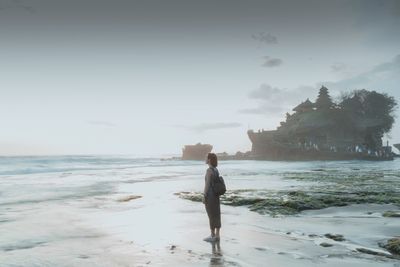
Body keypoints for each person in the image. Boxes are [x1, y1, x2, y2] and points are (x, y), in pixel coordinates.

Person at [203, 153, 221, 242]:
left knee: (211, 215)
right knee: (217, 214)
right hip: (216, 195)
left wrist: (204, 195)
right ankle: (217, 235)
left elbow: (207, 185)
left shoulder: (209, 170)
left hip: (210, 196)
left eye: (206, 157)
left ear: (209, 159)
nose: (205, 159)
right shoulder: (216, 170)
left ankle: (212, 235)